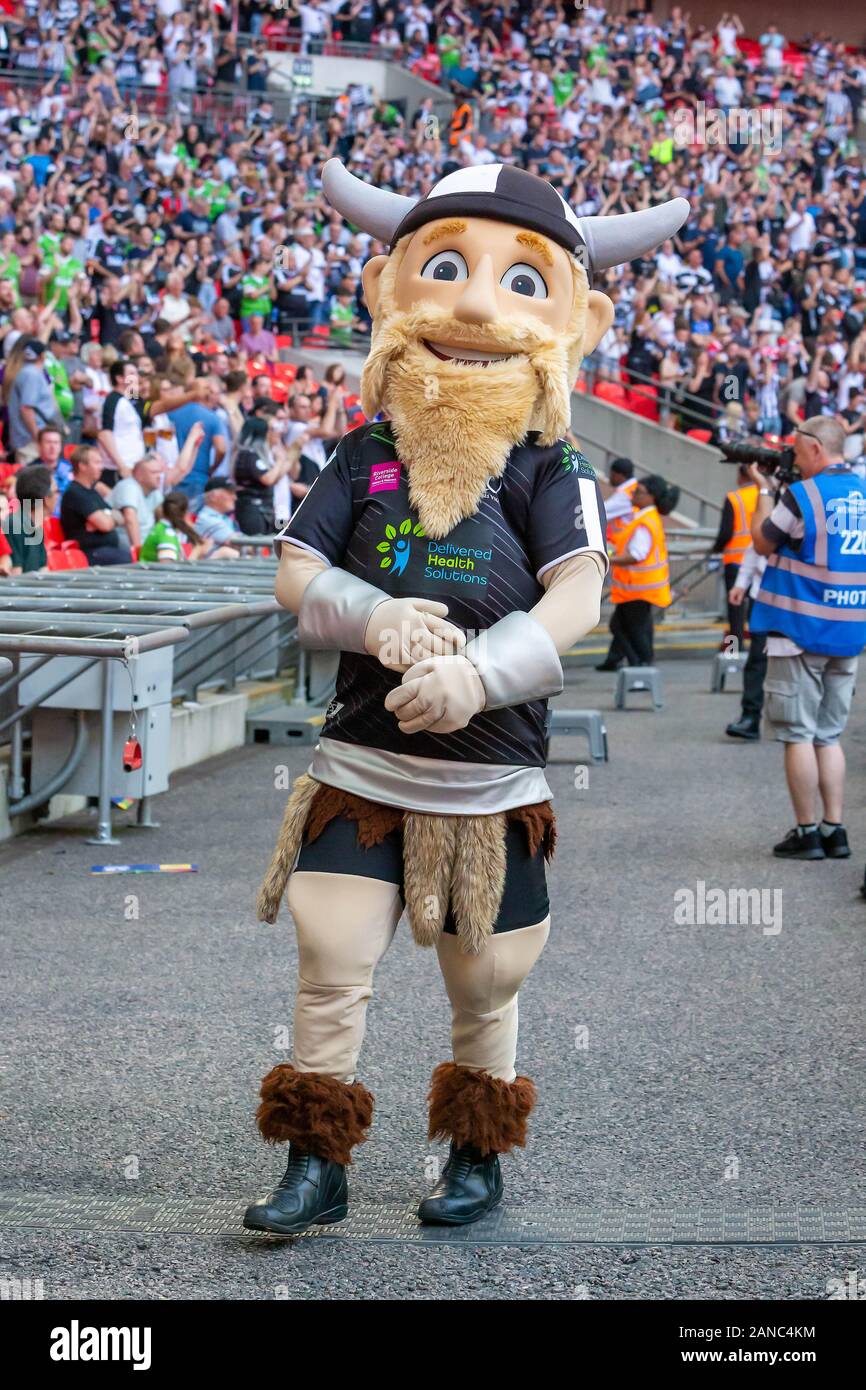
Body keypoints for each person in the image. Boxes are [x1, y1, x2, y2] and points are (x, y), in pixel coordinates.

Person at [244, 158, 687, 1235]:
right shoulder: (362, 452)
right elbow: (295, 574)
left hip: (489, 777)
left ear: (575, 315)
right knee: (330, 958)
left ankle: (476, 1156)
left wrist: (475, 673)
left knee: (485, 979)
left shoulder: (554, 465)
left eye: (518, 281)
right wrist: (371, 614)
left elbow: (576, 598)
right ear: (389, 289)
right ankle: (317, 1159)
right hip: (360, 762)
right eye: (444, 269)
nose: (478, 305)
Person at [748, 416, 866, 860]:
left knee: (797, 733)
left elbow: (763, 542)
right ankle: (836, 829)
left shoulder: (802, 496)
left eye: (798, 453)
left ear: (816, 448)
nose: (795, 463)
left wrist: (763, 489)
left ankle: (807, 832)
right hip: (849, 629)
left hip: (798, 628)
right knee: (829, 735)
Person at [608, 475, 679, 667]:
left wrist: (608, 559)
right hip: (638, 587)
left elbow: (637, 554)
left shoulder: (645, 521)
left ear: (651, 497)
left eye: (638, 492)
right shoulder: (645, 518)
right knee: (628, 627)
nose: (633, 494)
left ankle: (642, 665)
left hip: (638, 587)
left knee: (630, 629)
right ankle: (640, 665)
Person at [596, 457, 638, 670]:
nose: (609, 477)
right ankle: (616, 658)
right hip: (630, 562)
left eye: (611, 474)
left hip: (631, 562)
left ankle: (639, 663)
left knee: (627, 621)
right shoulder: (635, 490)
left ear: (618, 474)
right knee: (626, 619)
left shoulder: (625, 495)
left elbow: (598, 510)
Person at [711, 464, 758, 650]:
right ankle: (758, 648)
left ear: (741, 475)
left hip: (736, 561)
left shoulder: (734, 498)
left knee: (735, 611)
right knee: (756, 609)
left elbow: (725, 532)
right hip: (759, 561)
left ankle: (735, 648)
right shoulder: (765, 496)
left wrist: (715, 549)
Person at [725, 543, 768, 741]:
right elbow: (755, 545)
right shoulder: (768, 514)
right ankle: (733, 651)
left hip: (735, 567)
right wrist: (741, 582)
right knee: (755, 655)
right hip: (757, 592)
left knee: (734, 627)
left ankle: (733, 651)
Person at [60, 444, 127, 565]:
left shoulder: (92, 492)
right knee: (127, 559)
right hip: (87, 553)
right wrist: (108, 517)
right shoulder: (75, 492)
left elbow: (121, 517)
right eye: (96, 463)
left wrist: (106, 517)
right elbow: (105, 525)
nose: (101, 467)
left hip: (104, 551)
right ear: (82, 466)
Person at [2, 337, 63, 464]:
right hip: (31, 440)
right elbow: (26, 408)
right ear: (42, 356)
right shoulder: (31, 374)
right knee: (33, 480)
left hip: (29, 438)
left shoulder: (25, 372)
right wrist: (39, 438)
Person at [1, 465, 56, 573]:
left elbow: (43, 570)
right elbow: (15, 576)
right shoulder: (14, 524)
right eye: (56, 491)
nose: (58, 496)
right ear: (46, 498)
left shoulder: (36, 525)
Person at [110, 454, 165, 554]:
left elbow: (166, 517)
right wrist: (139, 553)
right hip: (123, 548)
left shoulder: (154, 491)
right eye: (154, 472)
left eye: (160, 472)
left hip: (147, 545)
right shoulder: (128, 486)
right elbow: (130, 518)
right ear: (139, 475)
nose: (159, 476)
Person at [138, 490, 208, 563]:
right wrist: (197, 551)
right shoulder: (167, 536)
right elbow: (168, 569)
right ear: (184, 514)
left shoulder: (161, 527)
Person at [194, 477, 241, 557]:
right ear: (212, 496)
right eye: (230, 493)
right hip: (209, 568)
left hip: (225, 567)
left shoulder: (225, 518)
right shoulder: (206, 519)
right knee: (225, 552)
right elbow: (243, 544)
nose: (235, 498)